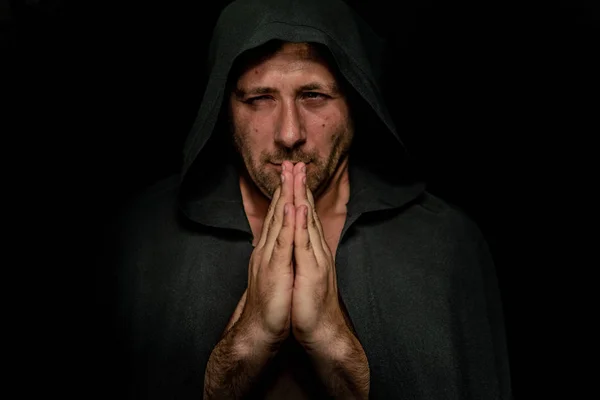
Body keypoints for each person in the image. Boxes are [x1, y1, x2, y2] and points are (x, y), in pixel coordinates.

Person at [107, 0, 512, 398]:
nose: (289, 134)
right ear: (225, 107)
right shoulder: (143, 235)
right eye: (259, 98)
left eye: (314, 95)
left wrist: (334, 344)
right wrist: (247, 344)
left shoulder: (444, 242)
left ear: (356, 101)